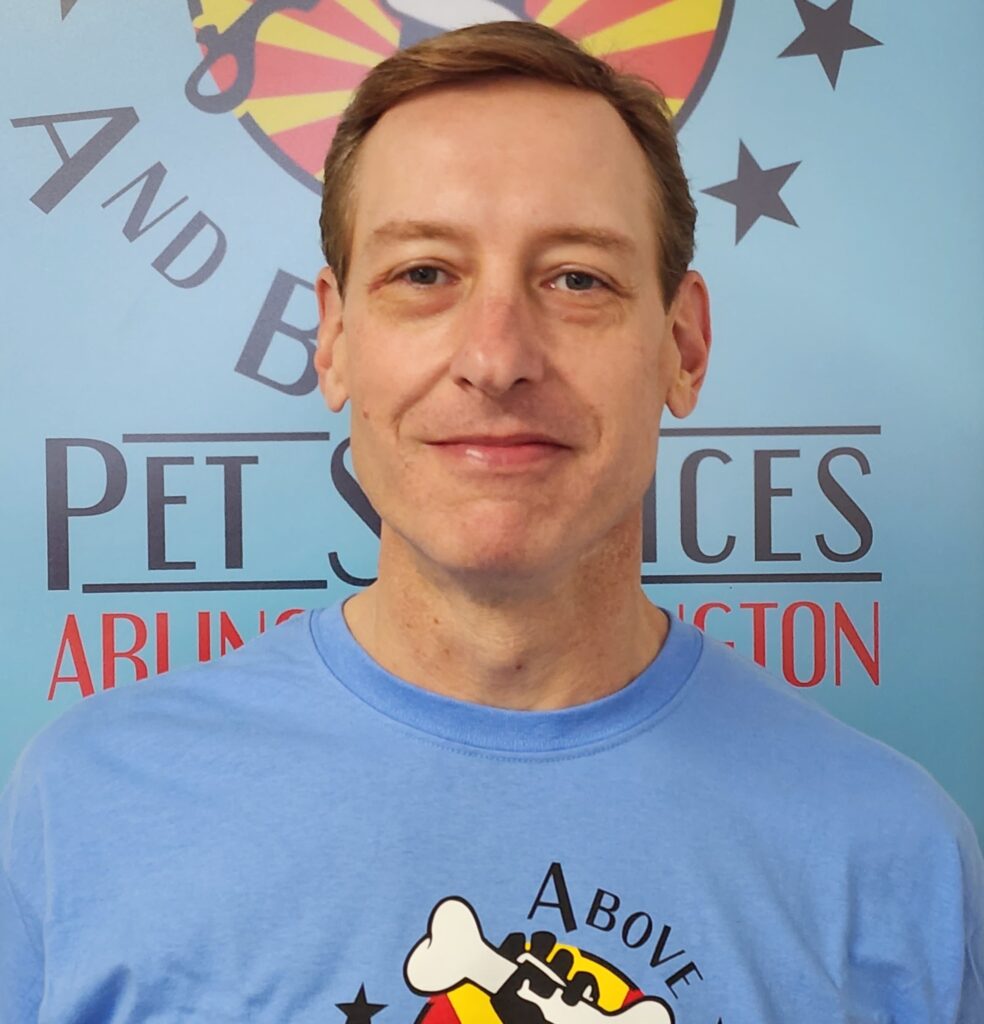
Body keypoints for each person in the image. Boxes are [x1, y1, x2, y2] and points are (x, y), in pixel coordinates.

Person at [2, 20, 982, 1024]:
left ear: (682, 347)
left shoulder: (900, 867)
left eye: (577, 279)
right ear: (334, 338)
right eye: (425, 273)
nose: (496, 356)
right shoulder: (84, 811)